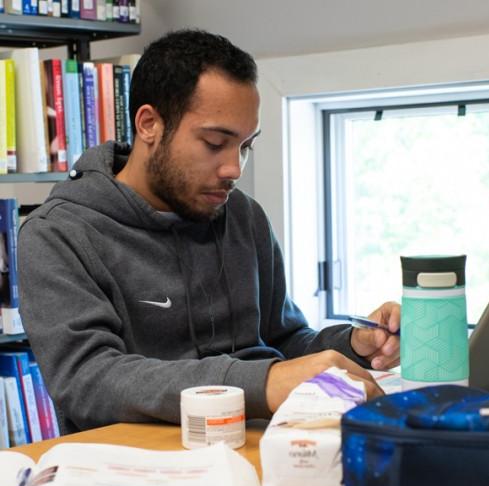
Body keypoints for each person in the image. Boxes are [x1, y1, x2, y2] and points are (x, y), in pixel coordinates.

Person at [17, 29, 400, 435]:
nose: (234, 168)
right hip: (143, 464)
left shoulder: (243, 215)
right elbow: (89, 381)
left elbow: (284, 339)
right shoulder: (56, 235)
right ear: (149, 124)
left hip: (264, 445)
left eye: (246, 146)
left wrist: (351, 346)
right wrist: (263, 383)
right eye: (215, 142)